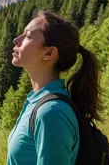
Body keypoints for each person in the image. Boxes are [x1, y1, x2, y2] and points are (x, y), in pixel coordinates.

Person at [7, 11, 102, 165]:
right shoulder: (37, 100)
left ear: (49, 53)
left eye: (28, 36)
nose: (17, 40)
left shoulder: (51, 112)